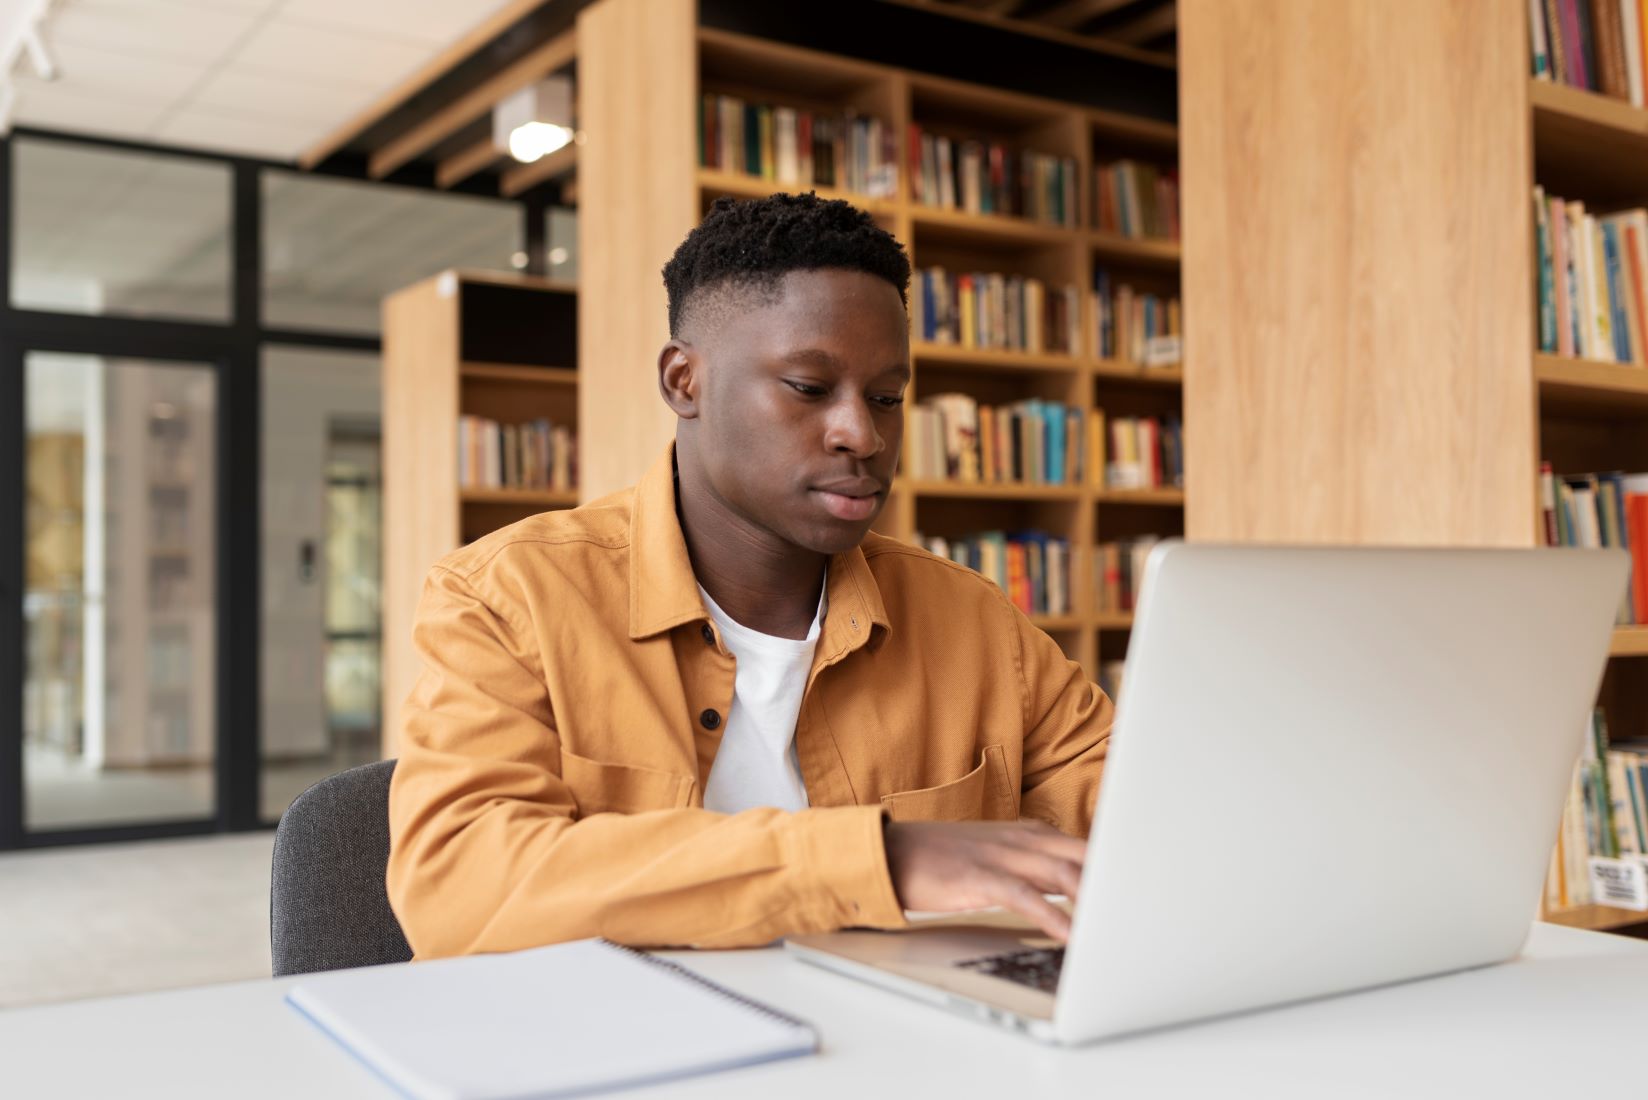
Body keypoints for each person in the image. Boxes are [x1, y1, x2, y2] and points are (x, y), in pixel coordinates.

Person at [387, 193, 1113, 958]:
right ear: (683, 381)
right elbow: (457, 889)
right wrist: (878, 859)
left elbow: (1141, 817)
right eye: (808, 388)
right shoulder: (509, 600)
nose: (860, 434)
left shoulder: (972, 620)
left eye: (887, 398)